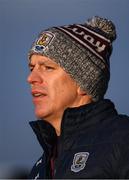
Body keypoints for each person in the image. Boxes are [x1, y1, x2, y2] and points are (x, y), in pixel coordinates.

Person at [27, 16, 129, 179]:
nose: (31, 78)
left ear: (82, 82)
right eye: (32, 68)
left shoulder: (122, 141)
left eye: (47, 67)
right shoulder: (41, 167)